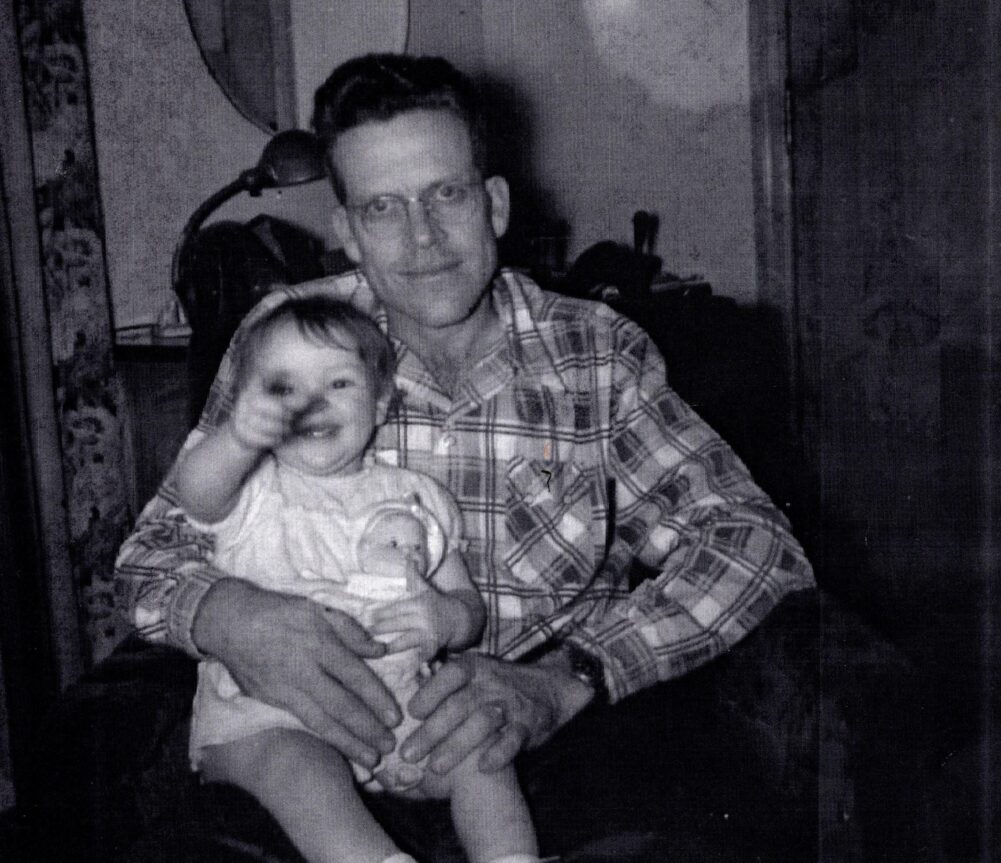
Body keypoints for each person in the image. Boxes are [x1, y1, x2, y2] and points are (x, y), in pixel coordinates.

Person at [116, 53, 815, 860]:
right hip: (311, 749)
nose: (422, 239)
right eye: (382, 207)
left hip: (539, 752)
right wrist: (231, 616)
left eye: (445, 195)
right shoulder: (289, 340)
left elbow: (755, 540)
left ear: (494, 203)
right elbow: (151, 556)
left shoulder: (597, 354)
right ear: (345, 232)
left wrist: (569, 675)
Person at [169, 295, 538, 863]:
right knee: (303, 771)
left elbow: (466, 604)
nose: (312, 402)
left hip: (398, 709)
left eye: (338, 383)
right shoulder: (253, 489)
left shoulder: (416, 496)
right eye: (283, 387)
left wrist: (446, 618)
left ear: (382, 401)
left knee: (481, 752)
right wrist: (237, 439)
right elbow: (194, 493)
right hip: (268, 719)